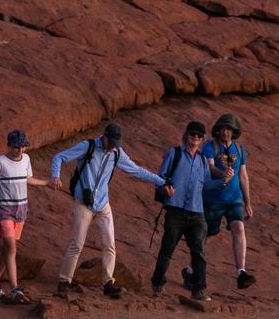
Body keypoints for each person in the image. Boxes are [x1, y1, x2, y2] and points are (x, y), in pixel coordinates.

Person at [49, 123, 167, 299]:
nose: (112, 146)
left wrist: (162, 182)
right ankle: (64, 281)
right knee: (77, 244)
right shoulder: (87, 146)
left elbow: (136, 171)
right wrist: (55, 175)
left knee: (110, 244)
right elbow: (59, 157)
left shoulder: (117, 153)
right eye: (111, 142)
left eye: (116, 143)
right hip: (83, 203)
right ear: (104, 136)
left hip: (103, 204)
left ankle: (108, 283)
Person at [151, 121, 233, 301]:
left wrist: (223, 181)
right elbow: (160, 179)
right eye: (193, 134)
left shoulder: (203, 160)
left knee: (199, 253)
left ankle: (199, 290)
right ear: (186, 135)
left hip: (197, 212)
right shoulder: (174, 154)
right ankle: (157, 282)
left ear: (202, 139)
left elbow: (206, 185)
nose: (196, 138)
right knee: (167, 249)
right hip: (176, 209)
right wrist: (165, 188)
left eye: (199, 136)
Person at [183, 114, 255, 290]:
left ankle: (241, 272)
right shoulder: (210, 146)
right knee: (204, 236)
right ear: (218, 130)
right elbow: (210, 168)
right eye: (223, 128)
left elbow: (243, 176)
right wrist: (222, 174)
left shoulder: (239, 149)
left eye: (229, 129)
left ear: (234, 131)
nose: (225, 132)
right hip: (213, 199)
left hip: (234, 198)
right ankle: (191, 270)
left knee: (239, 227)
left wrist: (248, 203)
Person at [0, 129, 48, 305]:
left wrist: (46, 183)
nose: (21, 150)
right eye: (17, 147)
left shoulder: (26, 159)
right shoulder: (0, 162)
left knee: (8, 250)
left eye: (23, 147)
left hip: (21, 209)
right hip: (5, 210)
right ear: (9, 146)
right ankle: (15, 287)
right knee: (11, 248)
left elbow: (28, 179)